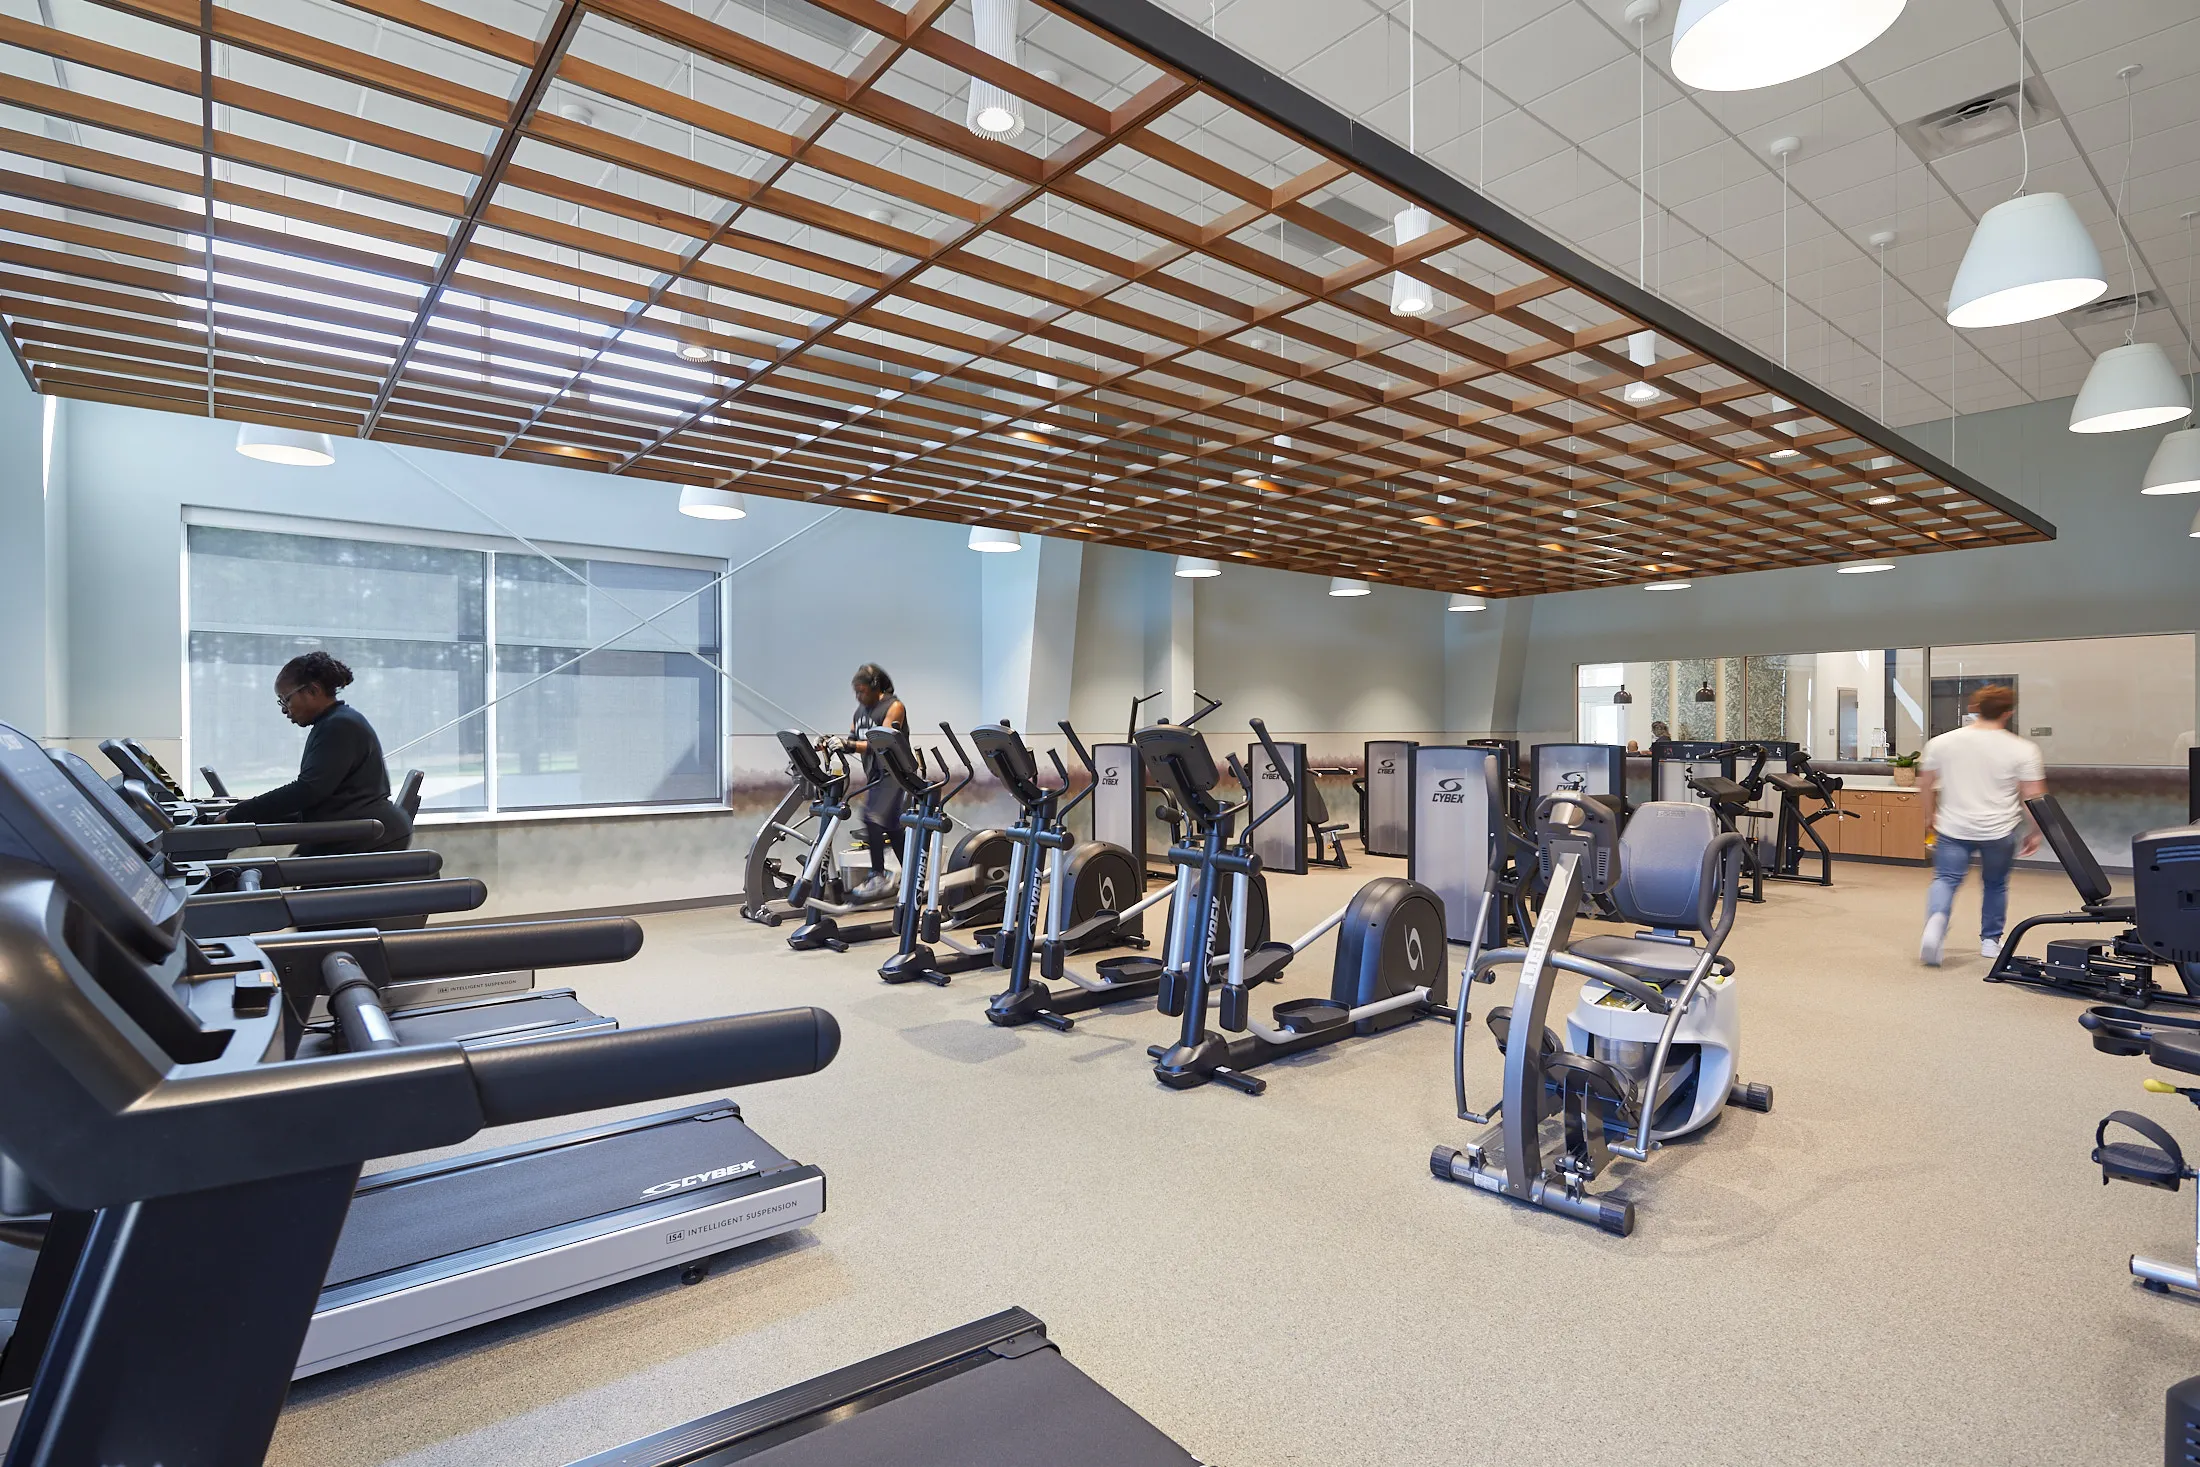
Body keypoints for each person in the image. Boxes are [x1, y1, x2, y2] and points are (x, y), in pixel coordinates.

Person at [223, 651, 412, 855]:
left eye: (285, 699)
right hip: (355, 828)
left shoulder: (339, 725)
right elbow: (315, 796)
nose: (284, 709)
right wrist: (245, 814)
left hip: (370, 834)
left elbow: (308, 790)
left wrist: (240, 813)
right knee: (288, 868)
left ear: (313, 691)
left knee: (282, 873)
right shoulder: (334, 722)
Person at [1916, 684, 2043, 966]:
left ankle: (1936, 922)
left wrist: (1929, 816)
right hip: (1999, 830)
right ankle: (1990, 941)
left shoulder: (1942, 742)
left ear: (1974, 709)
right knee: (1996, 884)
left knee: (1946, 879)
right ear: (2008, 712)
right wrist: (2036, 830)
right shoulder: (2023, 749)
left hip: (1953, 827)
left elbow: (1924, 783)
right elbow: (2032, 795)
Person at [834, 663, 907, 904]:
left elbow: (881, 742)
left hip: (896, 773)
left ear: (876, 687)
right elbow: (853, 739)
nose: (858, 696)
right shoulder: (860, 712)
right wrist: (832, 743)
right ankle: (910, 874)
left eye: (862, 691)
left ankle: (878, 875)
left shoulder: (894, 707)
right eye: (856, 692)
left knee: (871, 817)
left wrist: (849, 745)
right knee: (893, 828)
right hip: (875, 774)